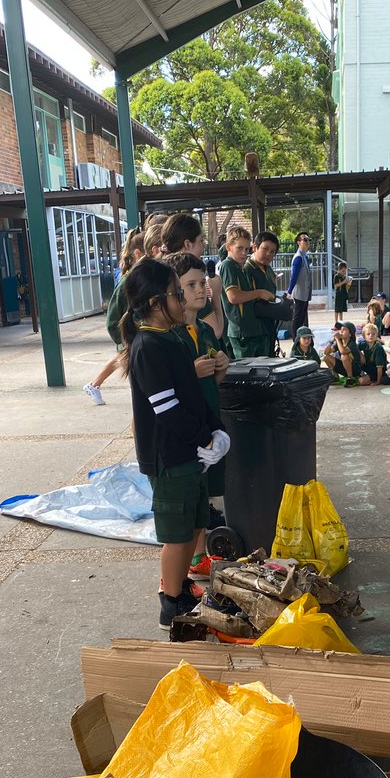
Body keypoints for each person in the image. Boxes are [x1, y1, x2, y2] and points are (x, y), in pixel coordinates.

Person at [122, 257, 230, 629]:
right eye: (175, 293)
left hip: (189, 451)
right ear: (155, 303)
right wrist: (204, 438)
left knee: (193, 523)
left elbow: (193, 397)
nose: (182, 300)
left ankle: (181, 586)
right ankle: (171, 604)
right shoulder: (148, 346)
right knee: (176, 534)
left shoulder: (172, 338)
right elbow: (167, 409)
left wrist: (215, 430)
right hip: (170, 456)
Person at [166, 251, 230, 583]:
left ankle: (199, 555)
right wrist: (192, 372)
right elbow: (164, 389)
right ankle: (182, 570)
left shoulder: (203, 332)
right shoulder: (169, 338)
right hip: (184, 432)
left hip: (207, 423)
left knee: (204, 494)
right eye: (191, 284)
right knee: (187, 503)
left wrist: (220, 367)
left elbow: (213, 385)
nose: (201, 289)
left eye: (202, 282)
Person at [83, 230, 144, 404]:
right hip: (131, 338)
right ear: (138, 254)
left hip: (132, 339)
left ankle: (94, 384)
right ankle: (94, 384)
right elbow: (113, 318)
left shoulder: (134, 277)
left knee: (120, 359)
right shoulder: (128, 281)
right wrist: (124, 338)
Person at [161, 213, 224, 342]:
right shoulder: (186, 277)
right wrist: (216, 295)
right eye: (201, 241)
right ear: (188, 244)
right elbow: (215, 331)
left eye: (201, 283)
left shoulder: (160, 272)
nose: (203, 246)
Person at [218, 226, 274, 358]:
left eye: (246, 249)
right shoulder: (228, 265)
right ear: (228, 247)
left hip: (252, 329)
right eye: (239, 248)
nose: (244, 253)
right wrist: (259, 293)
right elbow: (233, 296)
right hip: (241, 332)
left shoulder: (240, 267)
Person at [245, 230, 281, 356]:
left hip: (269, 327)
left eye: (272, 251)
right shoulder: (246, 269)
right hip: (252, 331)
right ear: (255, 247)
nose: (268, 254)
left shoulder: (269, 270)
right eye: (265, 249)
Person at [286, 231, 313, 339]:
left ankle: (302, 338)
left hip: (305, 293)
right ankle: (295, 340)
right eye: (305, 240)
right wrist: (289, 291)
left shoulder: (304, 256)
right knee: (297, 318)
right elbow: (294, 276)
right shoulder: (298, 257)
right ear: (298, 242)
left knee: (302, 317)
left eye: (309, 240)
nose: (307, 242)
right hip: (300, 293)